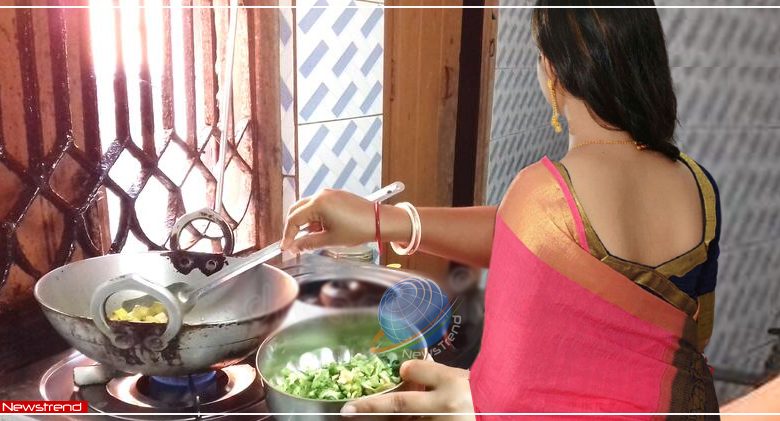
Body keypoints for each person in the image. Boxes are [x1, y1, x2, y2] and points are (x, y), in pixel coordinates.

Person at [280, 0, 723, 417]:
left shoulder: (540, 194)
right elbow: (693, 336)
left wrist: (475, 396)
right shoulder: (699, 186)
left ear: (552, 70)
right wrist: (382, 221)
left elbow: (509, 395)